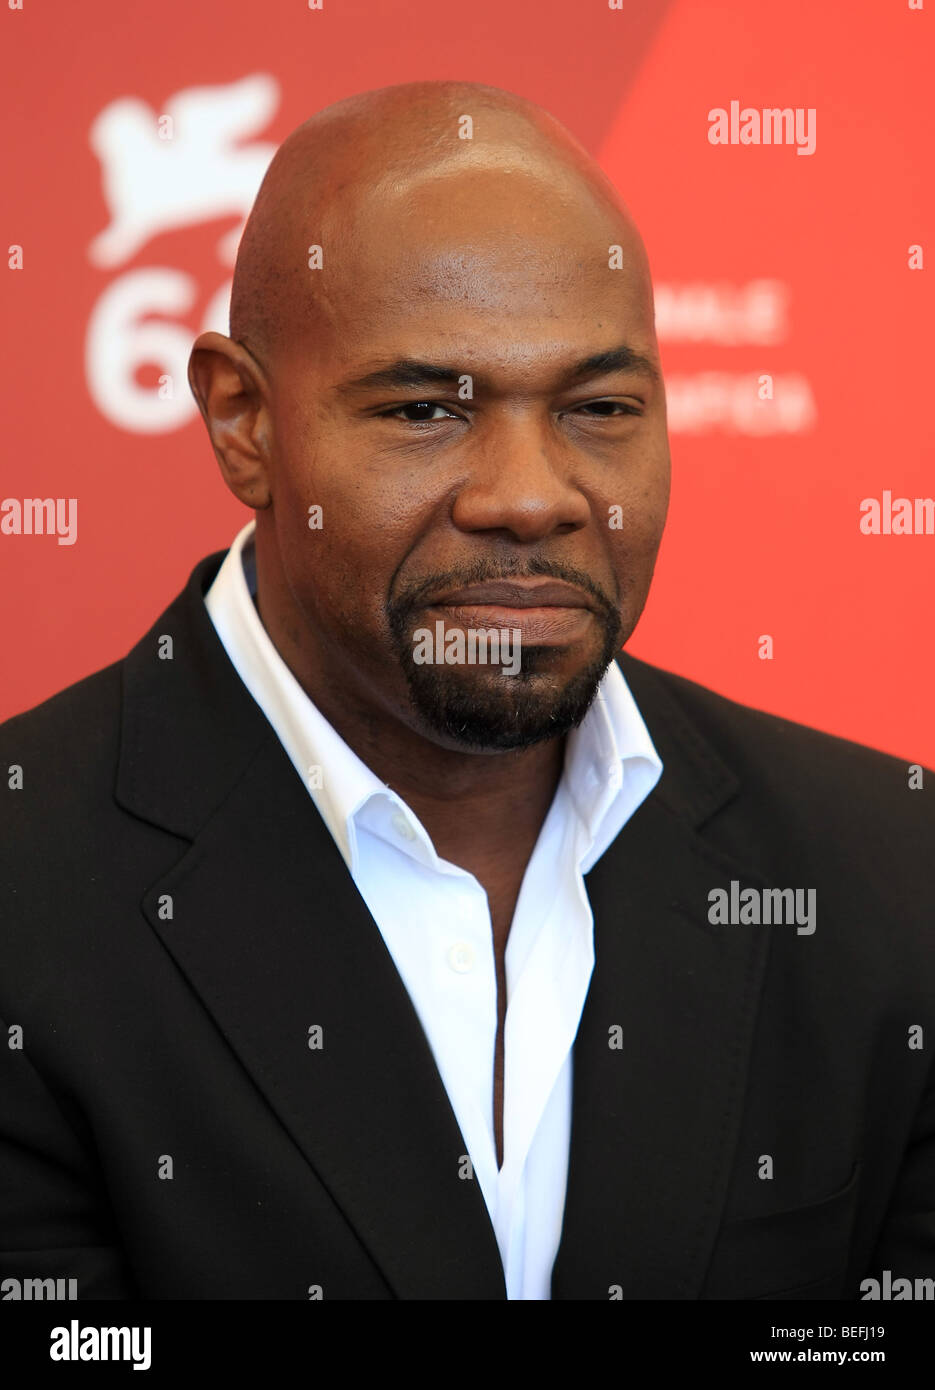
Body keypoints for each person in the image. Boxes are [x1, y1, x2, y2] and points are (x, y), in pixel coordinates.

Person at [1, 81, 932, 1302]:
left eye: (598, 408)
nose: (530, 492)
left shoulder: (885, 871)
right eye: (426, 410)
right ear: (242, 422)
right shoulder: (28, 891)